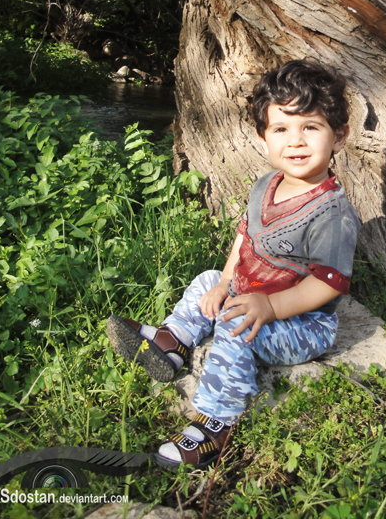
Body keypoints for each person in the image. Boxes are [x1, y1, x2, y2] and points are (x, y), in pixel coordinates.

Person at [107, 60, 361, 470]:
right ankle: (173, 343)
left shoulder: (332, 214)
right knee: (208, 279)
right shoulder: (266, 185)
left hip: (303, 323)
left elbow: (326, 285)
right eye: (280, 129)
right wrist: (227, 281)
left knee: (235, 324)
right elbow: (244, 238)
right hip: (255, 295)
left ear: (339, 136)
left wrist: (271, 307)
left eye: (310, 127)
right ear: (263, 139)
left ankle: (216, 424)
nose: (295, 141)